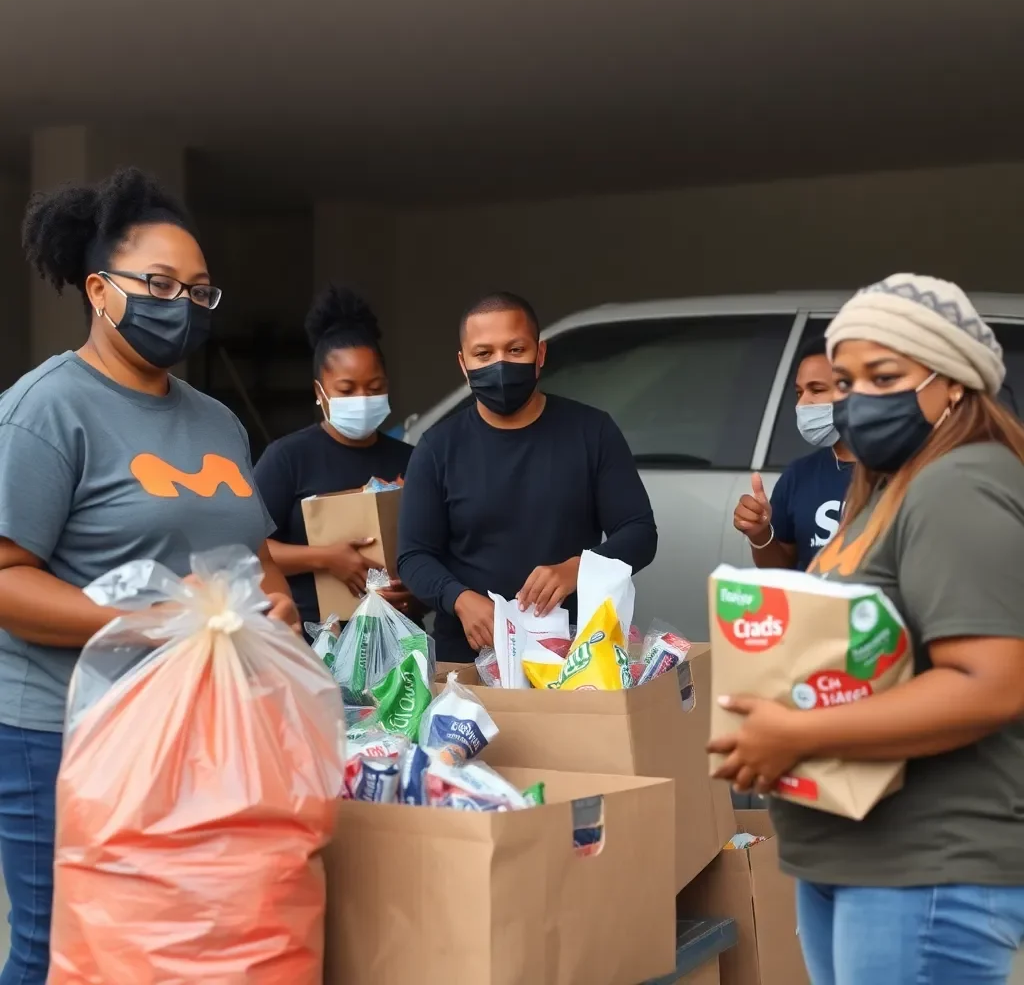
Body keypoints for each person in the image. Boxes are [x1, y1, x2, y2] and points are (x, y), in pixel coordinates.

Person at [0, 167, 297, 985]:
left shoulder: (216, 420)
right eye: (159, 284)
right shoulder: (45, 410)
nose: (180, 306)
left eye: (198, 292)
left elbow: (252, 555)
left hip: (197, 726)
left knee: (161, 941)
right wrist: (141, 620)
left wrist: (275, 607)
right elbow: (5, 576)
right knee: (62, 944)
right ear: (100, 289)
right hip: (60, 731)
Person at [708, 274, 1024, 984]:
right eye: (844, 380)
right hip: (858, 851)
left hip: (926, 866)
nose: (855, 400)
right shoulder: (887, 487)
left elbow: (994, 684)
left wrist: (797, 734)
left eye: (884, 376)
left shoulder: (960, 484)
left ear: (953, 383)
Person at [397, 291, 658, 663]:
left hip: (577, 655)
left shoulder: (592, 432)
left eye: (515, 350)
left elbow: (639, 533)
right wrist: (459, 599)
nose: (500, 365)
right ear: (463, 362)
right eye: (484, 354)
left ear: (540, 354)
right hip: (471, 657)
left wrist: (579, 569)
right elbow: (413, 556)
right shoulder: (437, 448)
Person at [254, 285, 418, 632]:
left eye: (374, 388)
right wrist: (326, 558)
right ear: (320, 392)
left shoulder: (412, 460)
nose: (362, 397)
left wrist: (414, 592)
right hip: (314, 640)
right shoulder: (287, 458)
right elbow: (251, 548)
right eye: (346, 389)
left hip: (399, 645)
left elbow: (431, 548)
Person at [733, 336, 855, 570]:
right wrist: (760, 534)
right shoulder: (799, 475)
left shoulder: (903, 473)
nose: (803, 404)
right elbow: (781, 570)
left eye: (817, 389)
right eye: (799, 393)